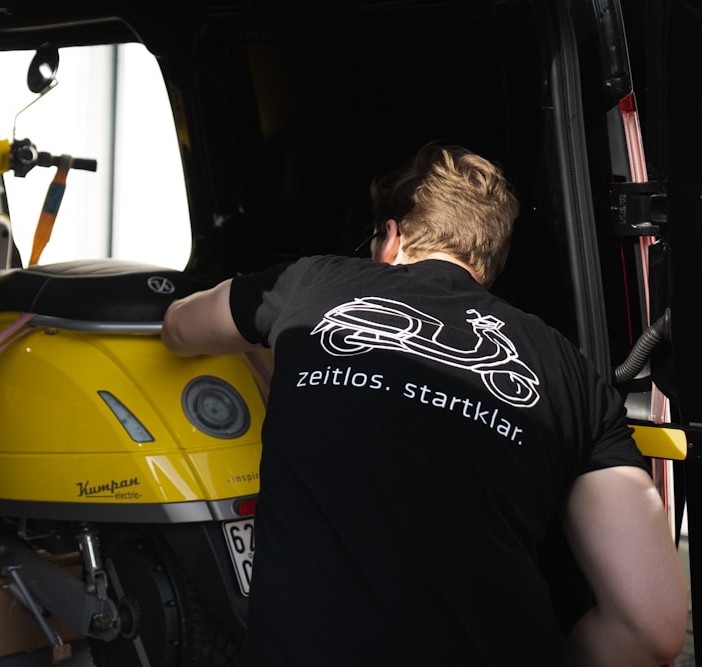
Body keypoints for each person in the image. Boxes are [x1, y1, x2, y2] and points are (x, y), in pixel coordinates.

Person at [161, 144, 687, 665]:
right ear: (489, 260)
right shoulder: (569, 369)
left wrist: (265, 344)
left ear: (389, 236)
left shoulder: (308, 283)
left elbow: (179, 326)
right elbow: (652, 628)